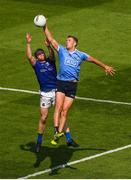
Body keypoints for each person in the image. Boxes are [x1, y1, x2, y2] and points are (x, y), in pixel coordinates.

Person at [43, 23, 115, 144]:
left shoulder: (80, 54)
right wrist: (44, 27)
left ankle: (60, 133)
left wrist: (105, 66)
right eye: (67, 40)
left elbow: (93, 60)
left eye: (69, 40)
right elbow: (50, 39)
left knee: (65, 111)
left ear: (74, 43)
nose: (67, 42)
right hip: (61, 82)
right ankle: (56, 131)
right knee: (58, 107)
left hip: (72, 85)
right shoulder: (61, 50)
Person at [26, 33, 78, 153]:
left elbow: (52, 54)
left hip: (57, 91)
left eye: (42, 53)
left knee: (62, 114)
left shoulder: (51, 61)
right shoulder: (36, 65)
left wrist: (49, 46)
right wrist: (28, 43)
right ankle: (39, 142)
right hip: (45, 94)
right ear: (36, 57)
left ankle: (69, 139)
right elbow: (29, 57)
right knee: (43, 117)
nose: (41, 55)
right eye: (39, 54)